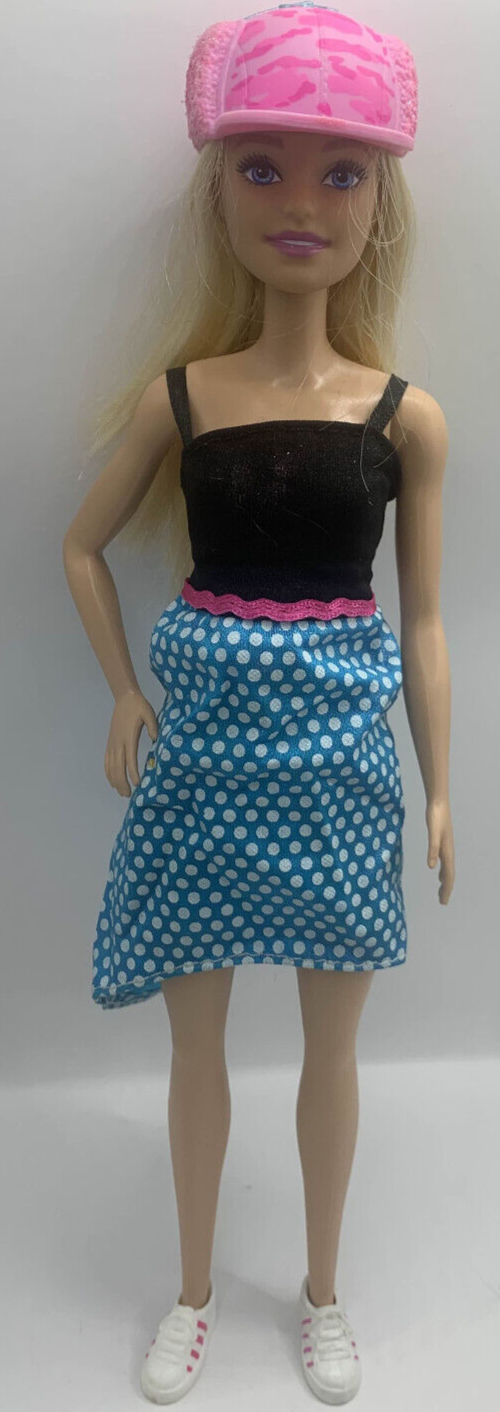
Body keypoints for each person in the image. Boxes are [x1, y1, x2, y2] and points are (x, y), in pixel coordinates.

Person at [63, 5, 455, 1404]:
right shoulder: (179, 400)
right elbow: (79, 547)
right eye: (262, 167)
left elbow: (423, 615)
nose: (302, 203)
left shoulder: (405, 416)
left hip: (342, 763)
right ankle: (190, 1293)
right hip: (205, 765)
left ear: (380, 202)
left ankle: (324, 1294)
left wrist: (444, 786)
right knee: (197, 1047)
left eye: (342, 173)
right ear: (218, 189)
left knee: (331, 1052)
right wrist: (123, 691)